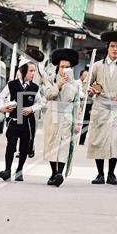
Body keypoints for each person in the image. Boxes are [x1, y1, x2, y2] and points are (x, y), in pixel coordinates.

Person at [86, 31, 117, 185]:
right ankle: (100, 173)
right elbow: (87, 84)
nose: (115, 49)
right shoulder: (97, 66)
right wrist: (91, 90)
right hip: (101, 106)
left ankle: (111, 174)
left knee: (114, 140)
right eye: (113, 46)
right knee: (99, 139)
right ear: (107, 47)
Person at [0, 59, 43, 181]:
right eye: (31, 71)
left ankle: (19, 171)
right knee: (10, 146)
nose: (33, 73)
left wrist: (31, 109)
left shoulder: (35, 87)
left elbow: (40, 103)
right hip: (14, 120)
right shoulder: (12, 85)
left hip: (27, 122)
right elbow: (0, 98)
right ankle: (7, 170)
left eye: (34, 71)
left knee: (24, 147)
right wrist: (3, 107)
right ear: (23, 71)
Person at [43, 48, 81, 187]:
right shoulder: (50, 79)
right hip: (53, 113)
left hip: (67, 116)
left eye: (67, 67)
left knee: (65, 145)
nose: (64, 70)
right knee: (52, 143)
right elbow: (48, 95)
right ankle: (53, 173)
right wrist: (58, 84)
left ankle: (60, 173)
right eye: (62, 67)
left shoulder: (76, 84)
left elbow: (77, 104)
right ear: (58, 67)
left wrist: (77, 123)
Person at [78, 66, 92, 145]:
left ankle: (82, 140)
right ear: (81, 76)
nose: (87, 77)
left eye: (88, 75)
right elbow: (79, 93)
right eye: (85, 75)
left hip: (88, 105)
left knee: (86, 122)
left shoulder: (90, 84)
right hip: (79, 104)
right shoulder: (77, 83)